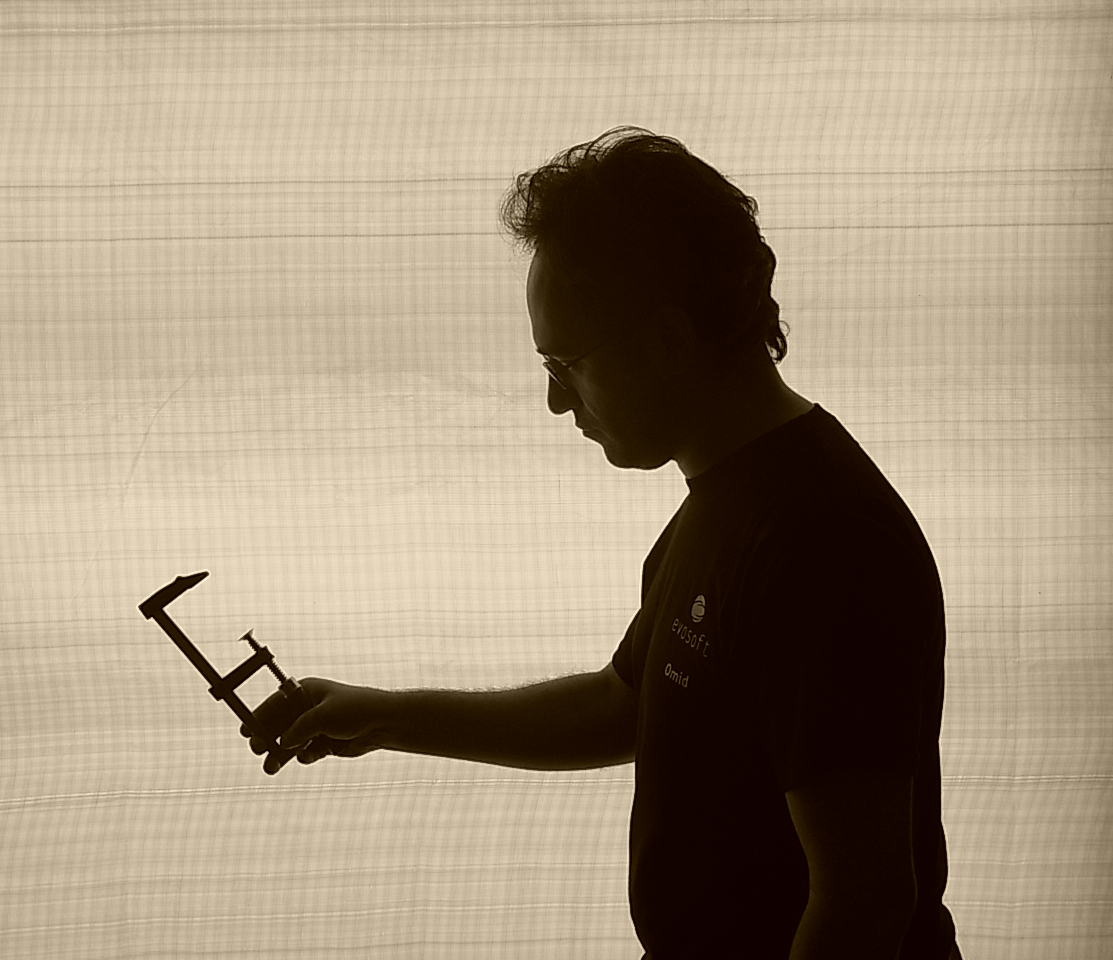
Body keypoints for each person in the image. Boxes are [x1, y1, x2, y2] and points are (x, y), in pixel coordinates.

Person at [241, 126, 962, 960]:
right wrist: (386, 715)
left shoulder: (825, 544)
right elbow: (627, 705)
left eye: (567, 364)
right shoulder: (730, 503)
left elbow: (863, 903)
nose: (557, 403)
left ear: (668, 340)